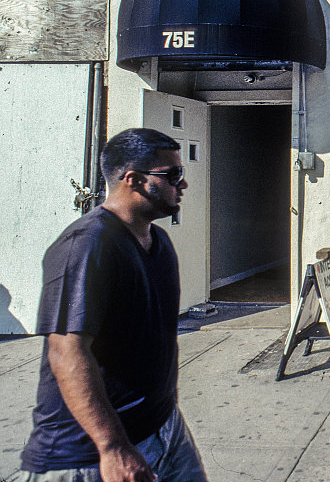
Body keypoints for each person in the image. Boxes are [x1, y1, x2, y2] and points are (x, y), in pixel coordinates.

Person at [14, 128, 207, 482]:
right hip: (90, 453)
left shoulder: (158, 240)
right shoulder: (87, 246)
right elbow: (66, 351)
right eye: (173, 175)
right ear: (132, 180)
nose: (183, 185)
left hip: (162, 428)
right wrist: (112, 447)